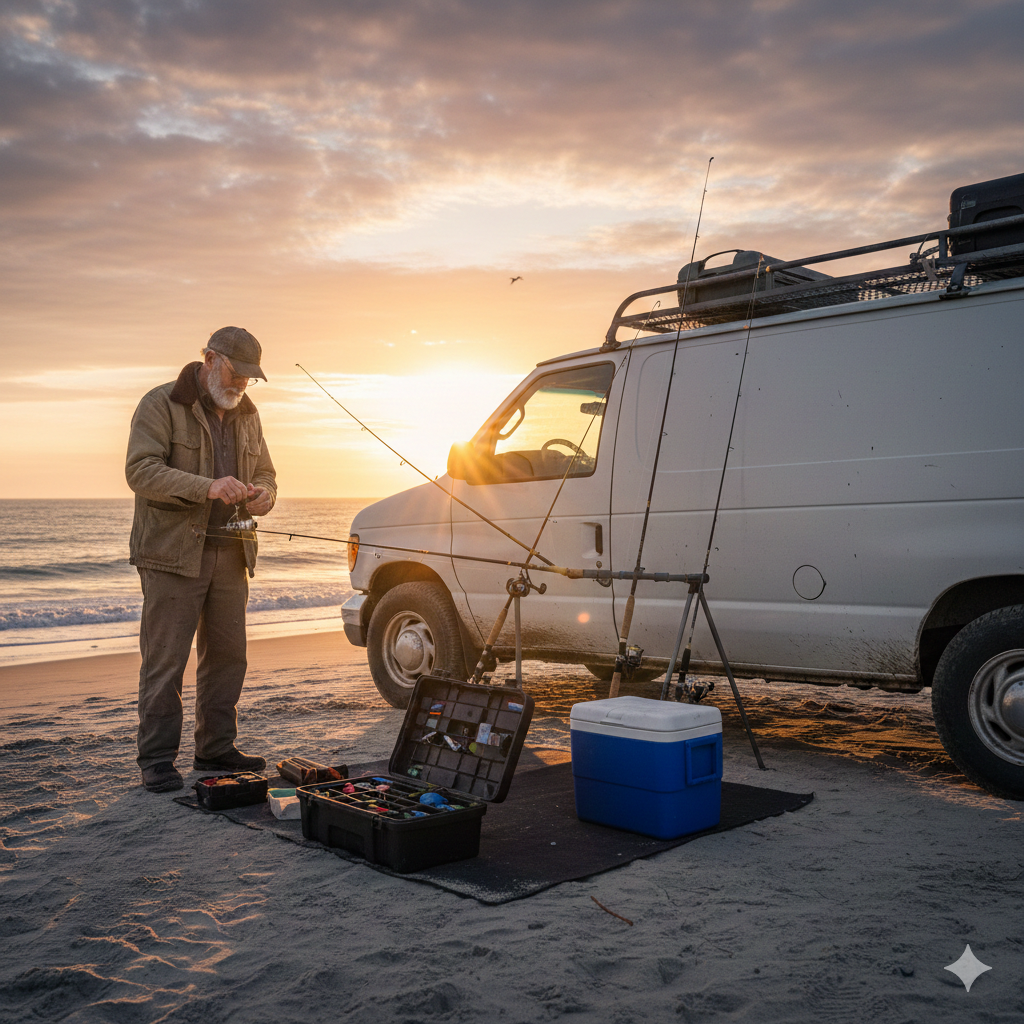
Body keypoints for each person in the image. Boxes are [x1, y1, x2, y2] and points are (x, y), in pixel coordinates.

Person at [125, 326, 277, 793]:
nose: (241, 385)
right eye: (236, 373)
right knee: (165, 661)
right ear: (210, 359)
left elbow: (268, 472)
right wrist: (206, 486)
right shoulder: (160, 403)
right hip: (173, 555)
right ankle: (156, 759)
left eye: (250, 378)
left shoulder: (248, 414)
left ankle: (215, 748)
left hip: (233, 551)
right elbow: (140, 471)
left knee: (229, 658)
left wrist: (266, 495)